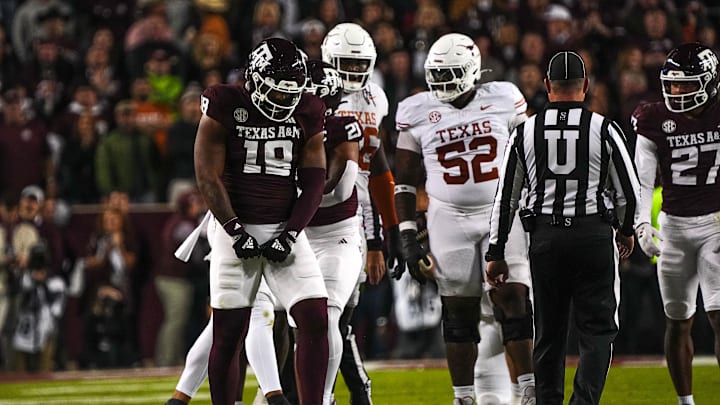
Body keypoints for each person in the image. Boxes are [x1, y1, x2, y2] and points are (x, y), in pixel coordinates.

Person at [486, 50, 640, 405]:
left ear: (547, 87)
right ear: (585, 86)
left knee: (549, 334)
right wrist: (626, 229)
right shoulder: (603, 128)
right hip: (592, 236)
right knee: (598, 331)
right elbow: (630, 191)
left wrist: (496, 251)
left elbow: (505, 198)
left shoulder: (525, 131)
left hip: (545, 239)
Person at [393, 32, 535, 405]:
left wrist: (536, 208)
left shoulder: (504, 97)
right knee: (458, 313)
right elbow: (404, 182)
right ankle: (464, 397)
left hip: (502, 213)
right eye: (436, 74)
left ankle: (528, 392)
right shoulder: (415, 110)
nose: (441, 83)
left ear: (472, 70)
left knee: (514, 301)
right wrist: (407, 234)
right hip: (447, 217)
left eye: (450, 73)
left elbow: (532, 158)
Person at [194, 37, 329, 405]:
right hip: (232, 225)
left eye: (292, 94)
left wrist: (291, 233)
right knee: (230, 331)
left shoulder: (309, 109)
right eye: (277, 92)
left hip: (283, 223)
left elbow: (316, 179)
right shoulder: (224, 103)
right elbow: (207, 175)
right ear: (253, 80)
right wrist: (235, 231)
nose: (286, 102)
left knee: (316, 317)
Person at [632, 42, 720, 405]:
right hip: (674, 226)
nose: (677, 91)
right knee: (678, 319)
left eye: (686, 84)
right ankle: (686, 402)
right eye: (673, 84)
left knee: (719, 314)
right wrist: (641, 222)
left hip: (716, 223)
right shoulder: (653, 117)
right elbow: (643, 177)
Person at [321, 22, 404, 404]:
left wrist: (388, 233)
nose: (354, 73)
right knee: (309, 320)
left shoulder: (376, 98)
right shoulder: (312, 94)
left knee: (337, 319)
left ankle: (348, 391)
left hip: (353, 220)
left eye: (360, 65)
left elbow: (378, 168)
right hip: (311, 216)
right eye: (346, 64)